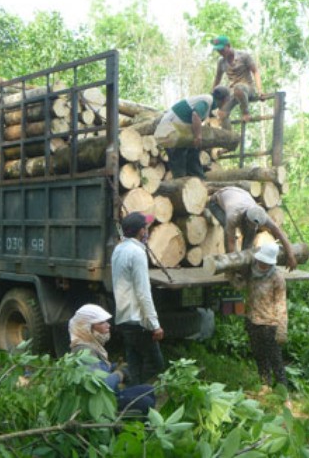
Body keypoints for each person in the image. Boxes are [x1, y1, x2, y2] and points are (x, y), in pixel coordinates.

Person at [68, 303, 156, 415]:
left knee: (149, 390)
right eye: (101, 322)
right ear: (87, 328)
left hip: (111, 396)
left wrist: (114, 367)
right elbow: (100, 386)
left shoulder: (91, 345)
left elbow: (99, 371)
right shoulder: (84, 351)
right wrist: (119, 374)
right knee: (145, 402)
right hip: (103, 402)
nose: (108, 325)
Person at [111, 212, 165, 385]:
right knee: (155, 365)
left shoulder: (118, 249)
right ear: (141, 231)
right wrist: (155, 325)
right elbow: (143, 293)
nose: (147, 231)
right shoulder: (137, 253)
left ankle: (131, 398)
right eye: (146, 228)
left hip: (124, 317)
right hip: (137, 320)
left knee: (134, 363)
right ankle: (140, 395)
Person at [231, 242, 289, 398]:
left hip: (270, 324)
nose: (262, 264)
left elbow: (281, 304)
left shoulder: (277, 278)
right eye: (261, 261)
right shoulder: (252, 272)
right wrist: (231, 275)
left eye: (266, 262)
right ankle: (265, 385)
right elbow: (240, 286)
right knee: (259, 355)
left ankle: (283, 391)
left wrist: (282, 329)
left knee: (275, 358)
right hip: (252, 320)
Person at [208, 186, 298, 271]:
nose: (253, 227)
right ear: (246, 218)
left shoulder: (261, 214)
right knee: (227, 229)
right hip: (216, 202)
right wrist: (232, 265)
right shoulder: (233, 215)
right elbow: (231, 242)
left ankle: (245, 265)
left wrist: (291, 255)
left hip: (241, 194)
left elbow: (279, 234)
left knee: (250, 236)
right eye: (250, 224)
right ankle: (230, 270)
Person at [154, 86, 231, 179]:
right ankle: (181, 182)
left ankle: (198, 178)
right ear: (225, 99)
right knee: (179, 157)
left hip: (180, 129)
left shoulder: (209, 103)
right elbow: (195, 115)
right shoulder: (207, 100)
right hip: (170, 130)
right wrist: (198, 136)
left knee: (193, 151)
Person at [211, 35, 263, 129]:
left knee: (238, 88)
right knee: (221, 113)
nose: (220, 53)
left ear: (228, 45)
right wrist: (212, 95)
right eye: (218, 51)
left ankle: (245, 112)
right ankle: (228, 138)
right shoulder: (221, 62)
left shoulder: (243, 56)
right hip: (232, 92)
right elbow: (217, 79)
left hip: (247, 88)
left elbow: (255, 71)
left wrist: (260, 90)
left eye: (222, 50)